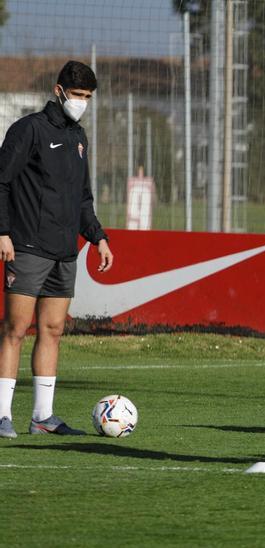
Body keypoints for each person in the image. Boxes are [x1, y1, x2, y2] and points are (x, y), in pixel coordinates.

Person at [0, 61, 113, 439]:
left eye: (88, 98)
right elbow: (1, 182)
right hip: (28, 247)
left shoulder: (79, 138)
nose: (82, 103)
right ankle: (2, 416)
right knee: (15, 329)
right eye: (78, 95)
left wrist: (97, 237)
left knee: (52, 330)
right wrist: (2, 232)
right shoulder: (28, 130)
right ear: (59, 90)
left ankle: (42, 418)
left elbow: (82, 198)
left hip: (65, 252)